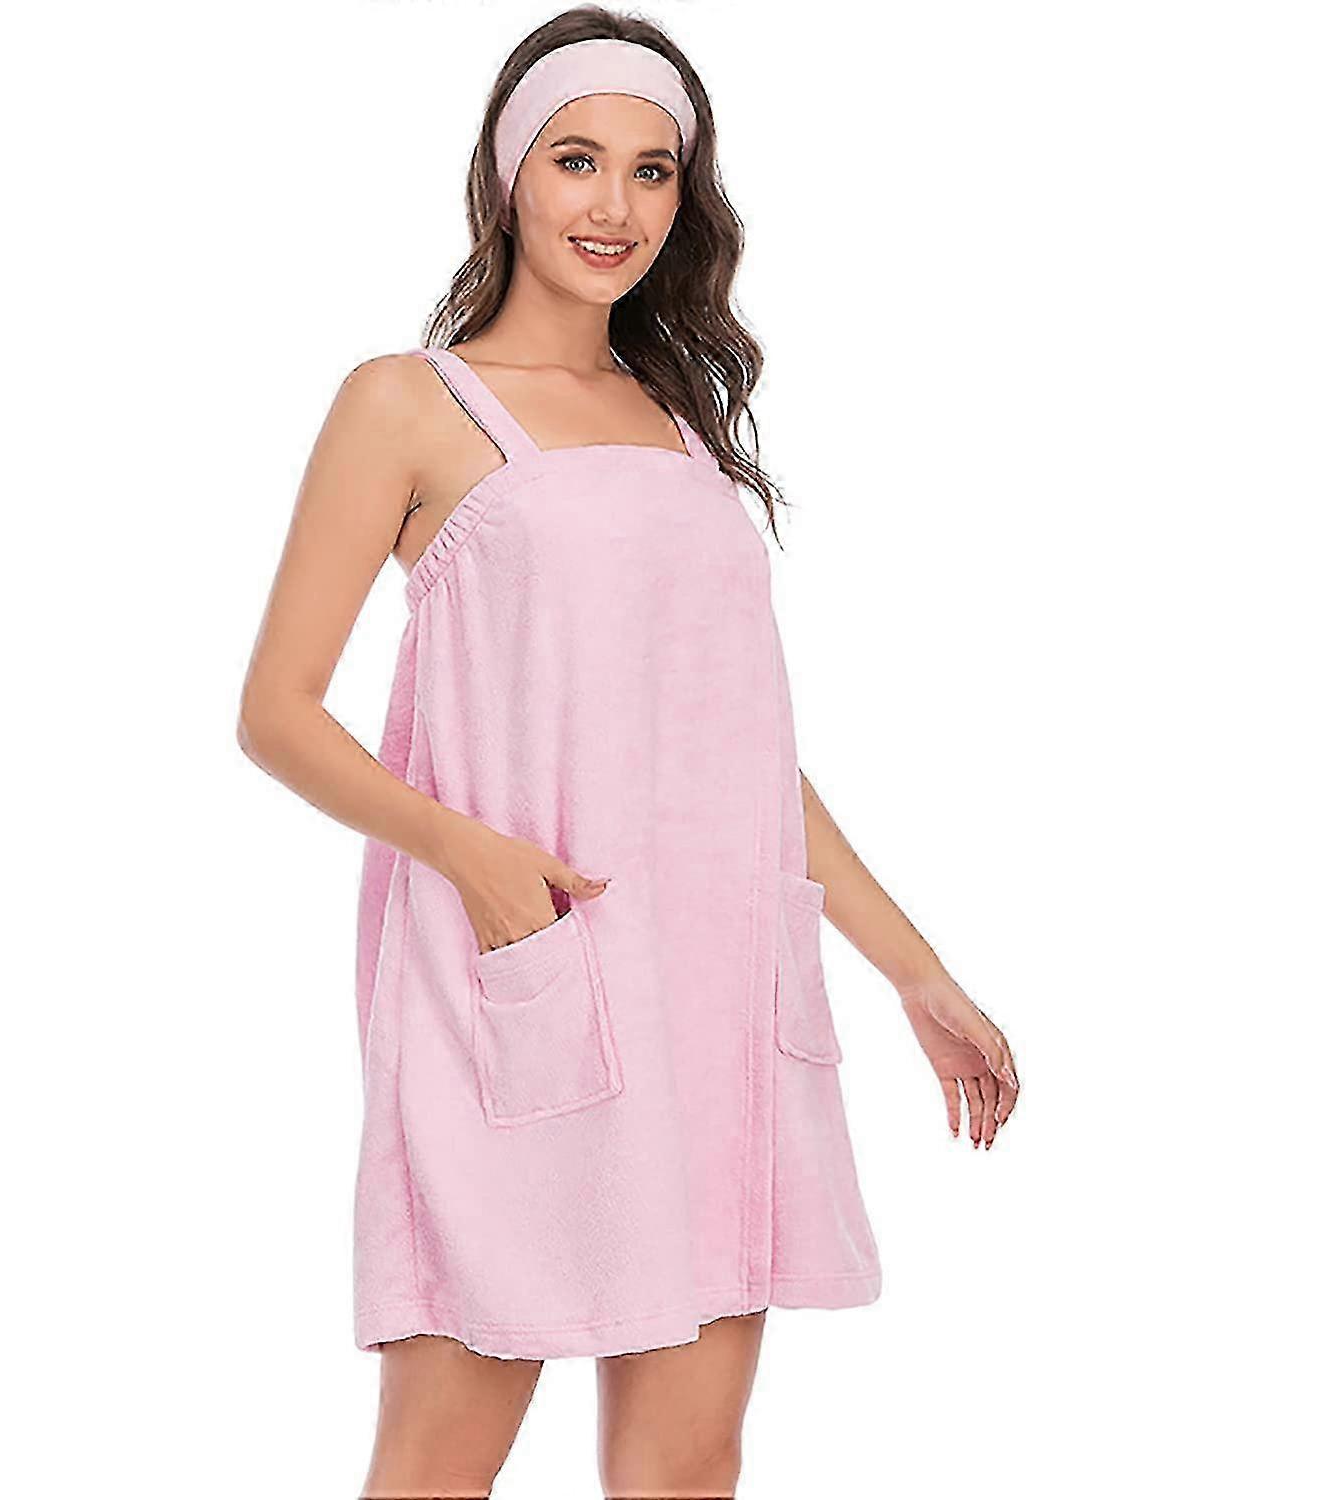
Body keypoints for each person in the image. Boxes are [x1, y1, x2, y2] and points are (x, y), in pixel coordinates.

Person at [237, 9, 1020, 1497]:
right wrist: (468, 855)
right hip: (520, 974)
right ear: (508, 172)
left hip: (710, 995)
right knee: (437, 1466)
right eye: (576, 160)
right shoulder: (409, 402)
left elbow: (741, 755)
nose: (614, 206)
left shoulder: (682, 428)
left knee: (688, 1469)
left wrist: (916, 972)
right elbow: (276, 709)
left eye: (653, 171)